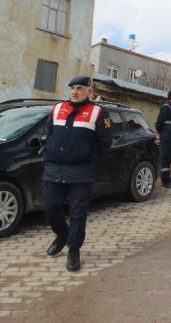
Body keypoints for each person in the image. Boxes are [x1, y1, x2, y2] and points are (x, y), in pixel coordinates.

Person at [42, 76, 113, 272]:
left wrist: (88, 156)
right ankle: (62, 235)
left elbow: (105, 142)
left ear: (88, 91)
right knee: (50, 207)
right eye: (72, 88)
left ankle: (74, 249)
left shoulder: (98, 112)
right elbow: (49, 133)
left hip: (81, 171)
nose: (75, 91)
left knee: (77, 212)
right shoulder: (57, 109)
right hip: (54, 168)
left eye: (79, 88)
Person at [155, 91, 171, 188]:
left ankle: (167, 179)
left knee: (168, 159)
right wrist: (164, 134)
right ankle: (165, 181)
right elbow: (159, 123)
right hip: (166, 138)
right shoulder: (166, 108)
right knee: (165, 159)